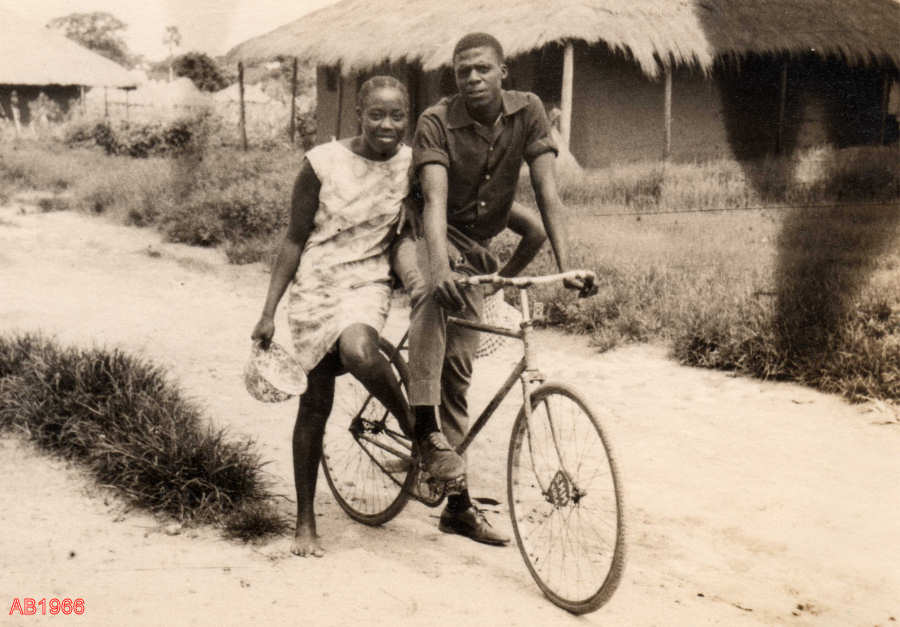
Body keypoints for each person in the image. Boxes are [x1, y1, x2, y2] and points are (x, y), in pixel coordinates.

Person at [392, 32, 594, 546]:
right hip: (424, 235)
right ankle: (424, 428)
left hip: (476, 248)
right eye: (463, 71)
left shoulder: (528, 111)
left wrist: (567, 267)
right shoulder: (436, 120)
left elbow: (547, 192)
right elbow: (434, 203)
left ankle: (455, 506)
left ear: (504, 72)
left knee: (458, 373)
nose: (473, 78)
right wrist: (439, 269)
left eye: (483, 68)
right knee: (432, 295)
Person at [251, 75, 418, 558]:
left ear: (407, 118)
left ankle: (416, 432)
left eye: (397, 116)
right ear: (358, 115)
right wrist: (268, 312)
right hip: (316, 288)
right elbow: (293, 240)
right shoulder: (321, 163)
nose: (387, 125)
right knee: (315, 404)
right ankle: (305, 521)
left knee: (360, 351)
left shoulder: (412, 164)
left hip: (368, 280)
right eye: (376, 114)